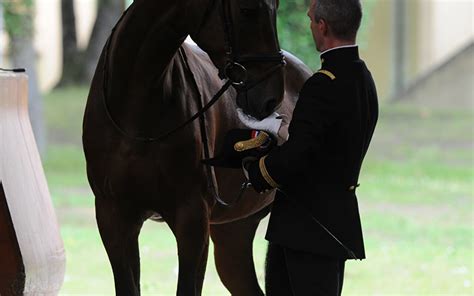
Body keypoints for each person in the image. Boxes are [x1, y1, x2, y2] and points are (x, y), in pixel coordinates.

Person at [243, 0, 379, 294]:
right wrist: (280, 128)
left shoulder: (323, 84)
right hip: (332, 220)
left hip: (305, 226)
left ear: (322, 26)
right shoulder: (362, 77)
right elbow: (329, 141)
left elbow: (297, 157)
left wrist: (255, 171)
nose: (310, 27)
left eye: (310, 21)